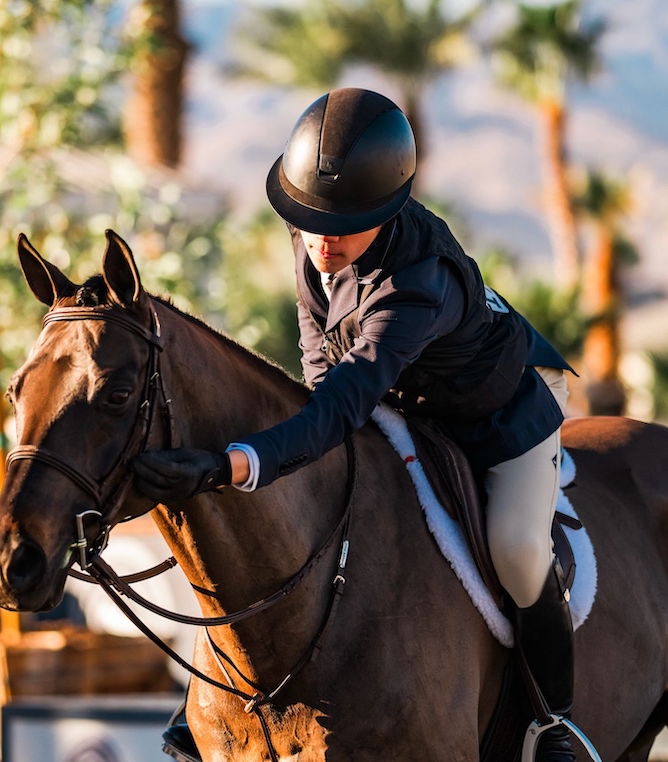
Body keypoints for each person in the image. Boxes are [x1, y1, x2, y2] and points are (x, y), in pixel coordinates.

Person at [134, 88, 577, 762]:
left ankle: (554, 723)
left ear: (386, 210)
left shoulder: (418, 284)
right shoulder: (319, 234)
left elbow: (343, 403)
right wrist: (299, 447)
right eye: (306, 219)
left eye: (337, 225)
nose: (318, 239)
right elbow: (321, 368)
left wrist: (232, 464)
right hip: (397, 410)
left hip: (495, 424)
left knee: (518, 553)